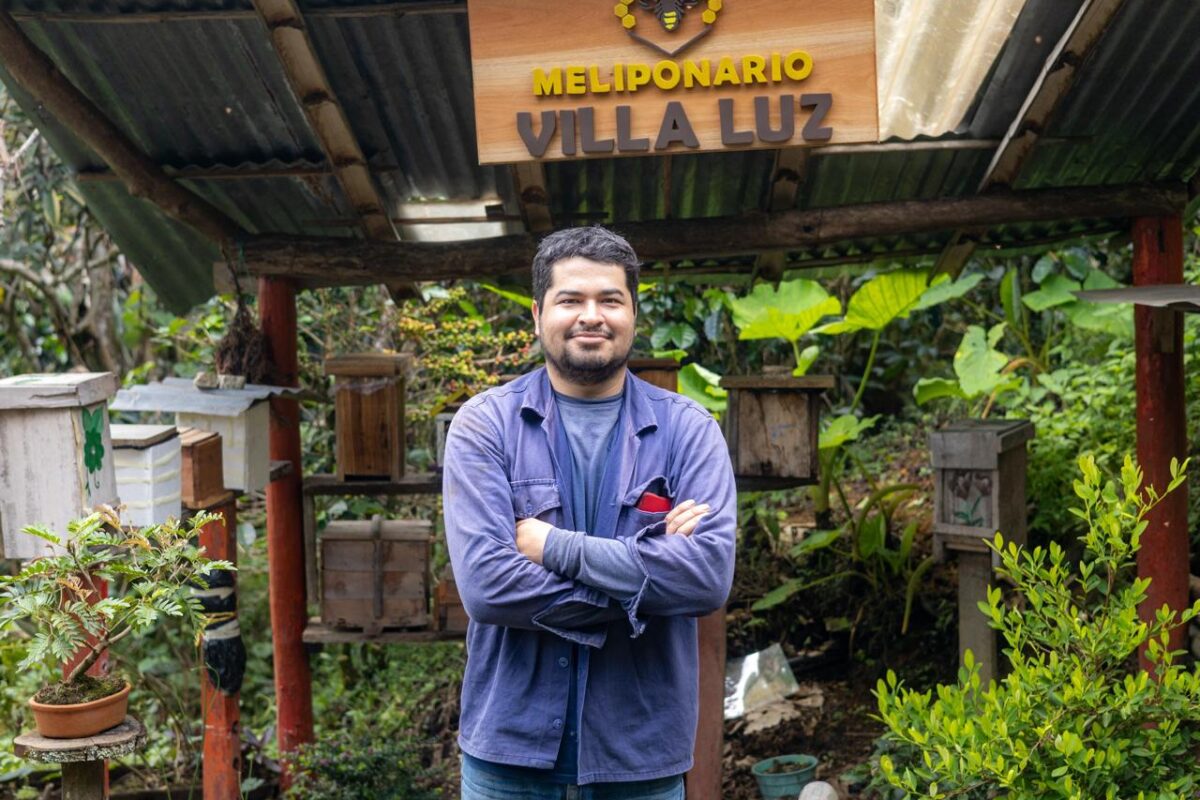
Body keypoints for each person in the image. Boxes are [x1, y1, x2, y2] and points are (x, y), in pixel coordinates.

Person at [443, 226, 737, 799]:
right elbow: (486, 587)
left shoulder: (688, 431)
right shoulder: (485, 427)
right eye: (571, 300)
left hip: (640, 756)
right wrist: (643, 592)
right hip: (509, 757)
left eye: (610, 299)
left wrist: (555, 548)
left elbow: (705, 578)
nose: (591, 316)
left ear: (633, 312)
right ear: (537, 314)